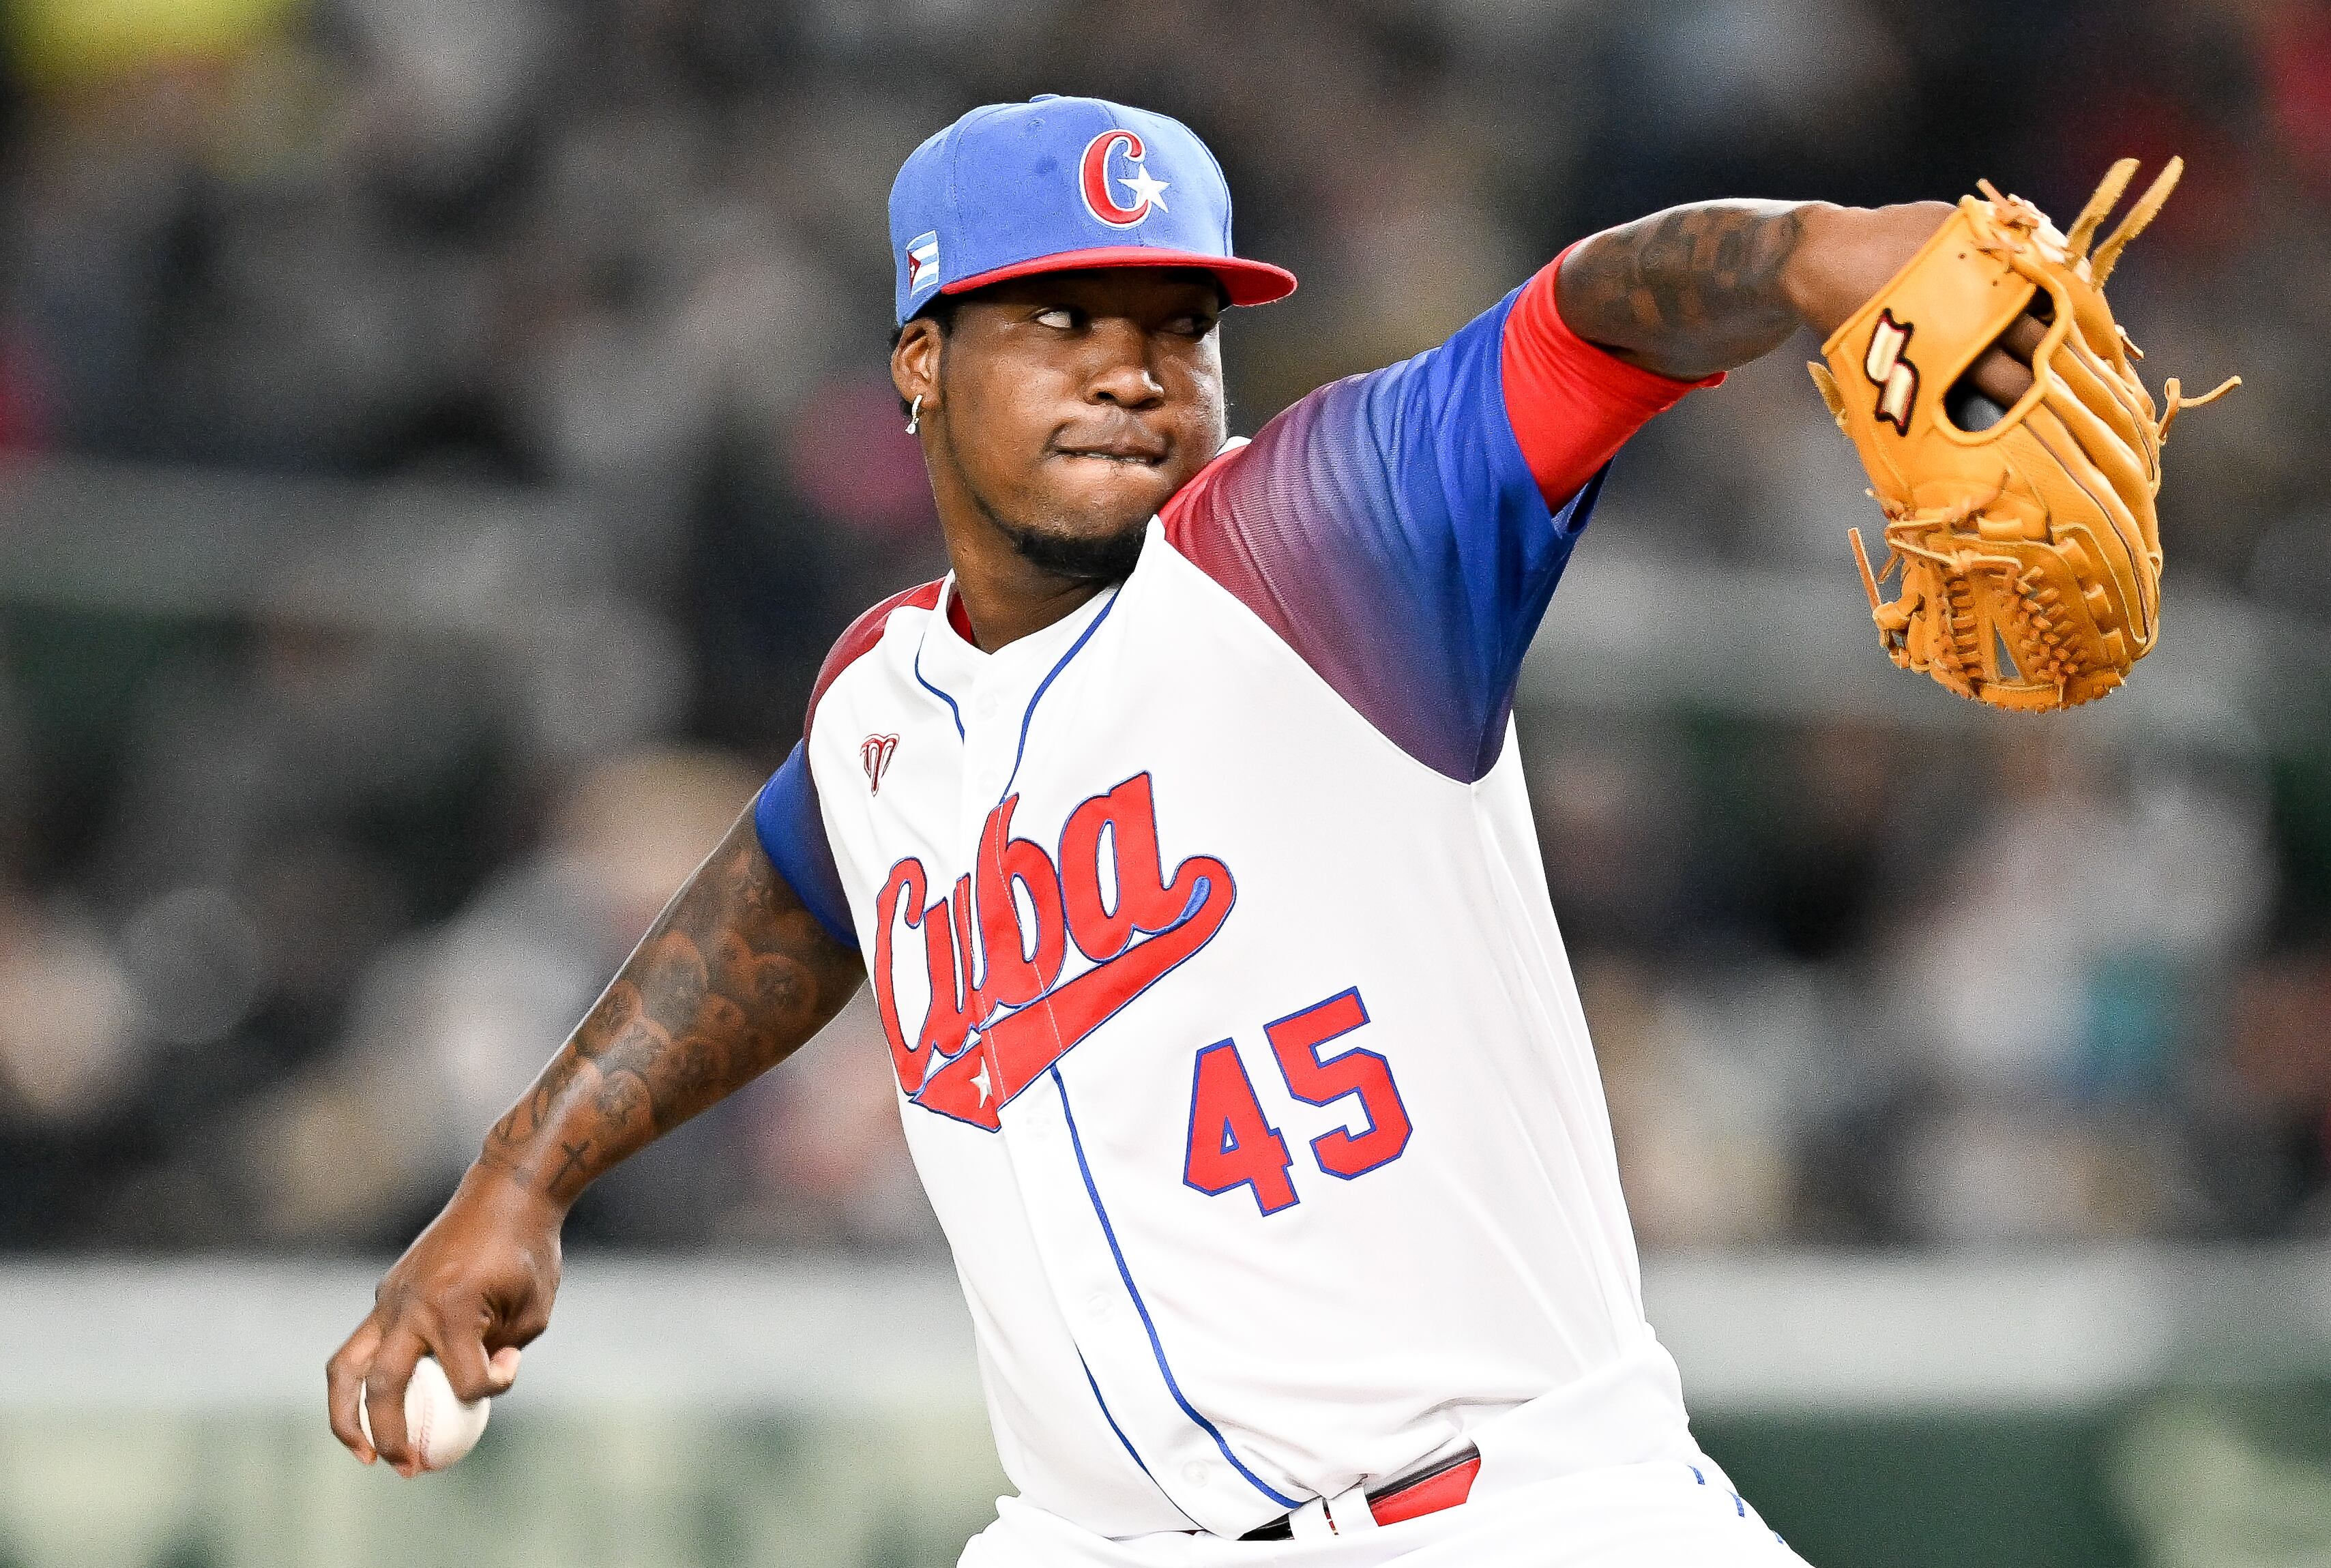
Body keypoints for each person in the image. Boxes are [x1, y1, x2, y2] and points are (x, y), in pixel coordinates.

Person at [327, 94, 2042, 1564]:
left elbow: (1585, 320)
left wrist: (1811, 252)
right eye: (1060, 318)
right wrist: (522, 1173)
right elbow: (789, 891)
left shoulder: (1320, 543)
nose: (1131, 374)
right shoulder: (878, 705)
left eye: (1175, 326)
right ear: (920, 361)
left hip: (1507, 1515)